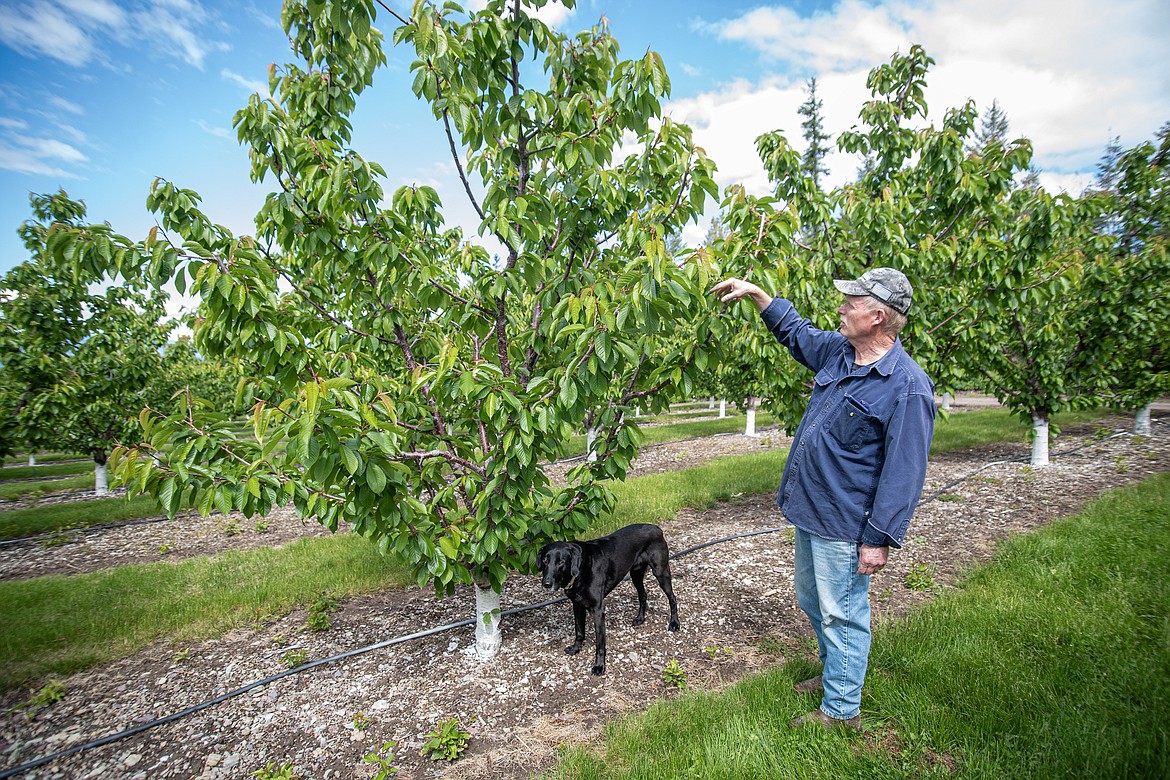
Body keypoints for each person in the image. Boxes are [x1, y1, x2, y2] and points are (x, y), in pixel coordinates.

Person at [709, 267, 935, 731]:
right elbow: (796, 333)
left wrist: (880, 538)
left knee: (842, 612)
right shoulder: (840, 351)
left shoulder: (906, 387)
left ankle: (841, 710)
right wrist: (758, 296)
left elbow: (904, 472)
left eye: (850, 303)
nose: (840, 308)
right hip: (811, 509)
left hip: (846, 521)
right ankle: (838, 672)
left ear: (876, 316)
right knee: (815, 601)